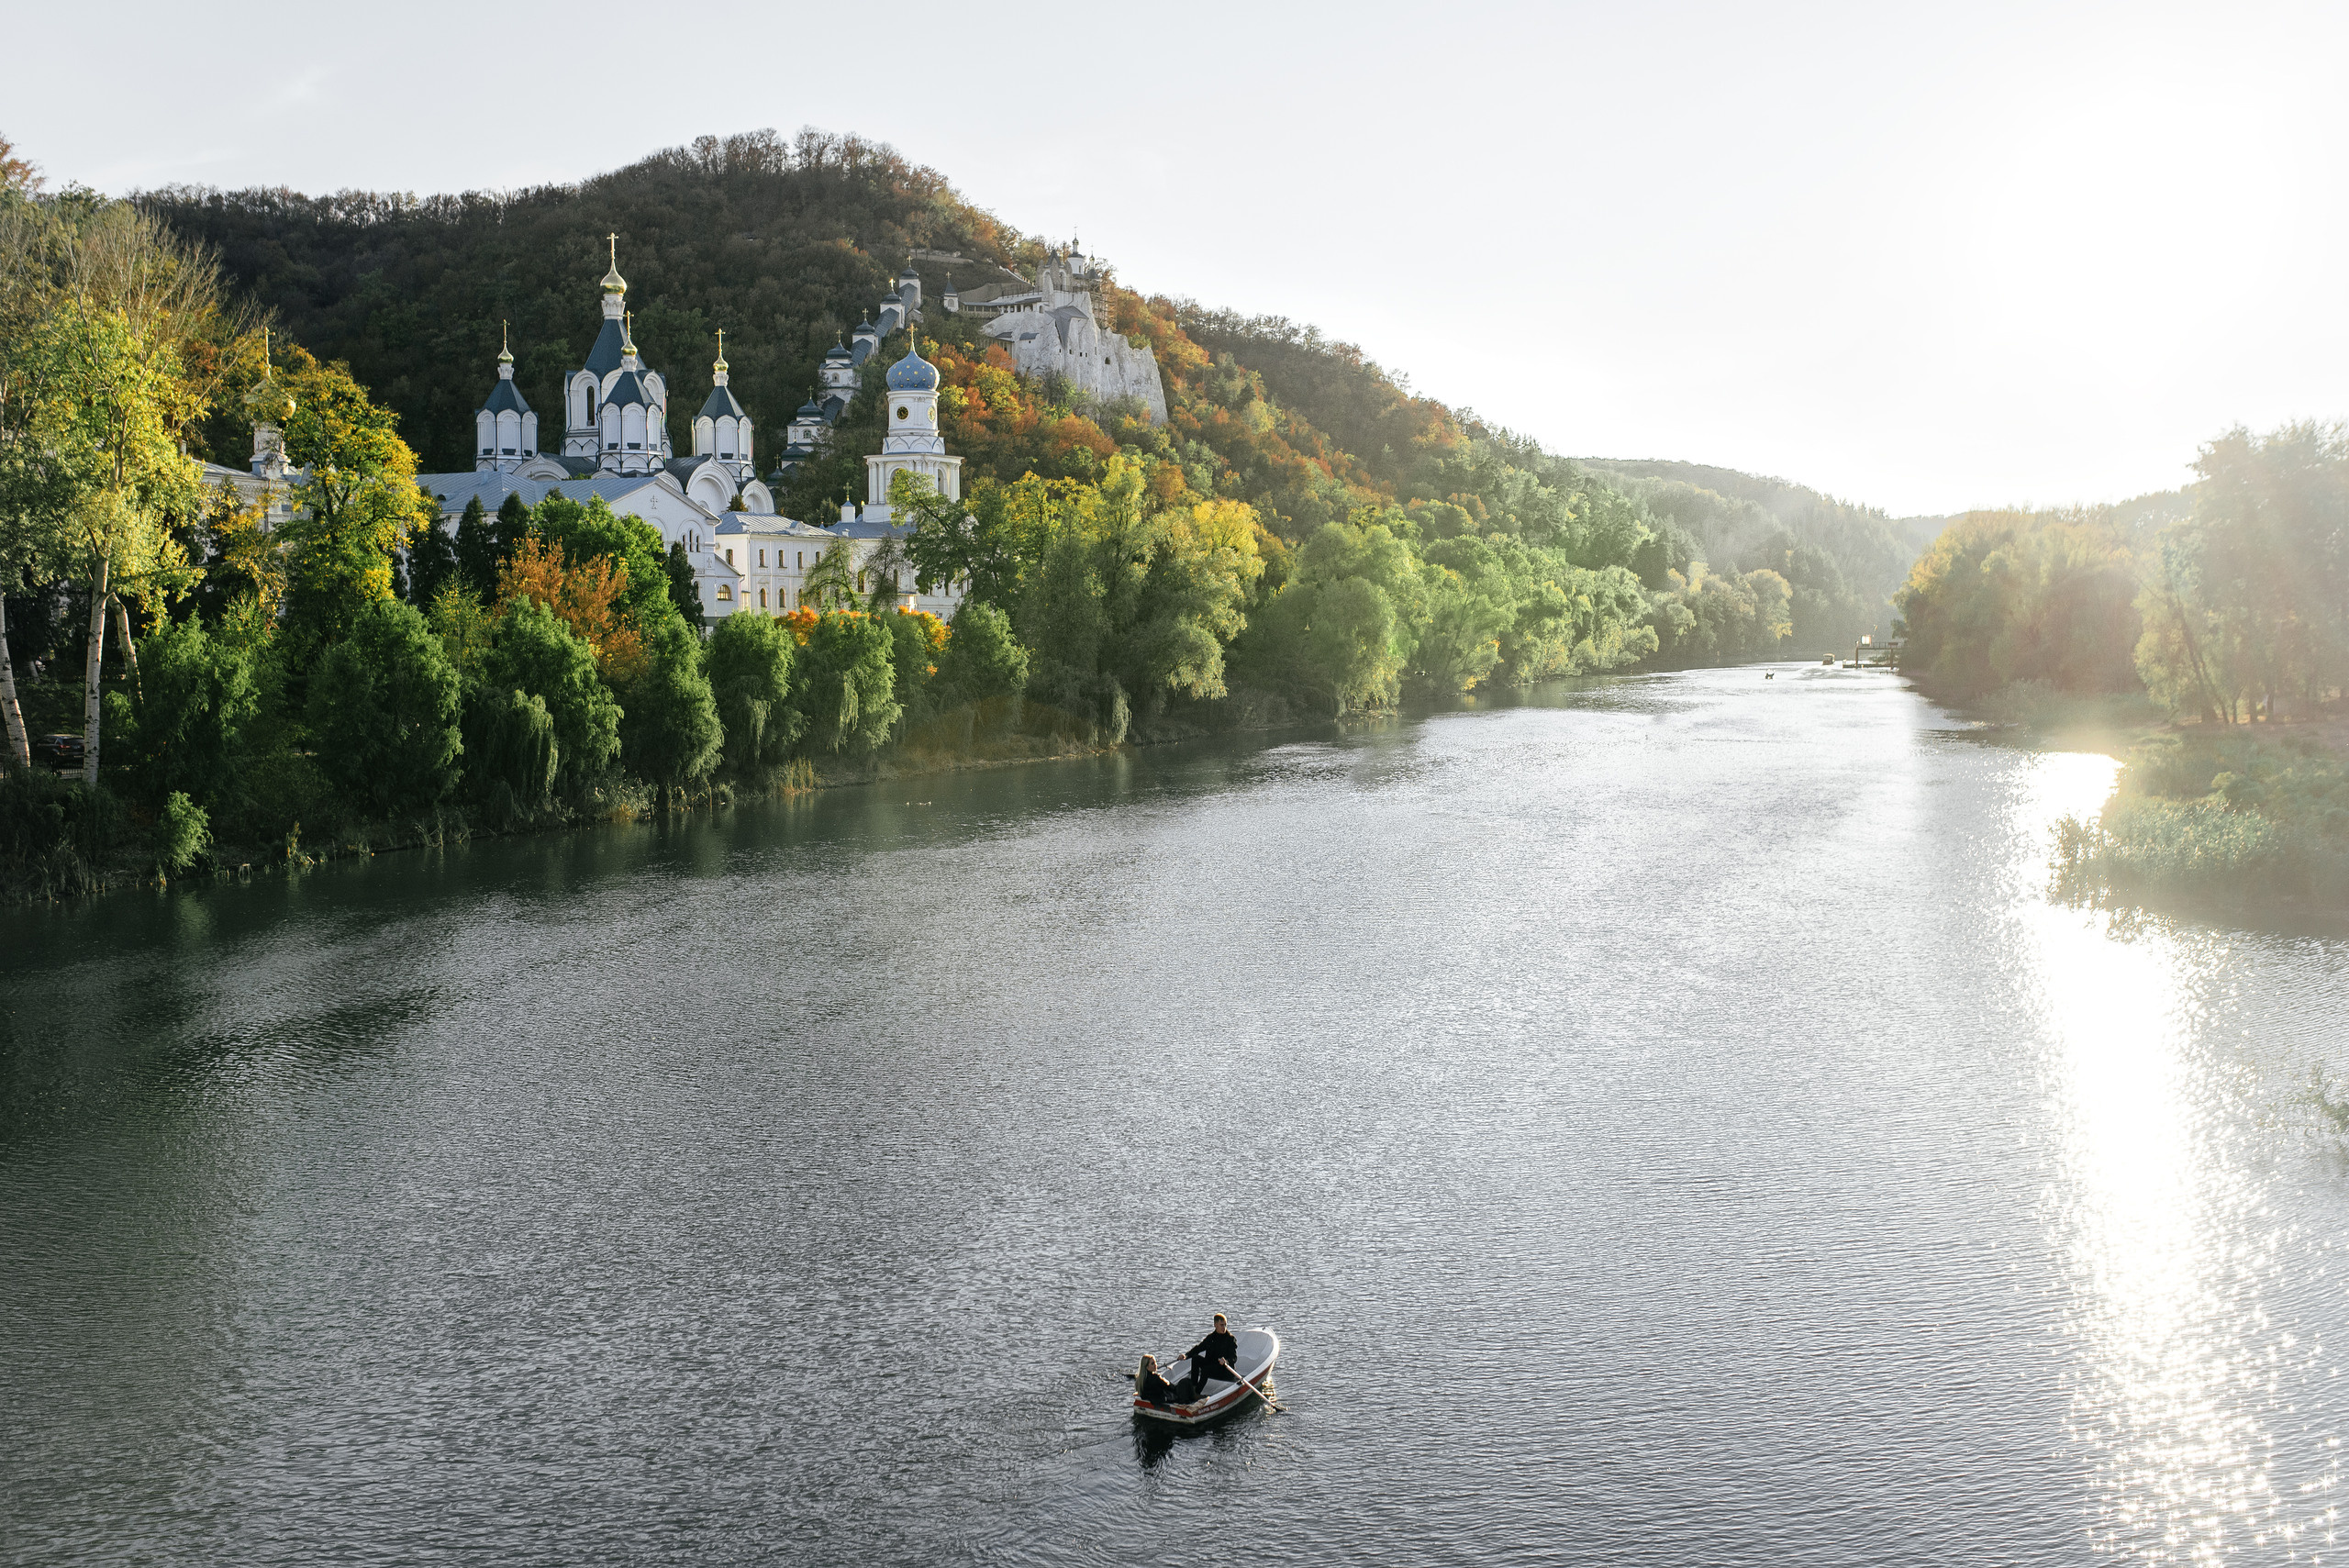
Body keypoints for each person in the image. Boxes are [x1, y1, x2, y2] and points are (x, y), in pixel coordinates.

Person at [1177, 1313, 1240, 1399]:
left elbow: (1234, 1358)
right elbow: (1199, 1348)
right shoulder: (1211, 1338)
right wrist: (1186, 1355)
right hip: (1213, 1365)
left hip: (1224, 1370)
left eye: (1225, 1325)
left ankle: (1197, 1393)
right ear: (1215, 1325)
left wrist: (1226, 1361)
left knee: (1206, 1370)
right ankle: (1194, 1387)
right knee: (1195, 1358)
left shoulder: (1230, 1339)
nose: (1224, 1327)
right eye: (1221, 1325)